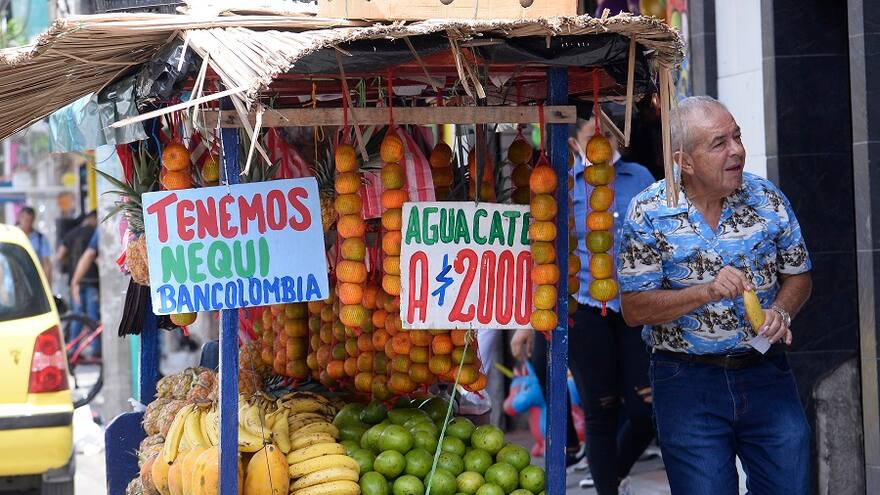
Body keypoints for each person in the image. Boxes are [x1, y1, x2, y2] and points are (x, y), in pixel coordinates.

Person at [617, 96, 812, 494]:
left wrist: (781, 311)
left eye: (737, 136)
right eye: (719, 142)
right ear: (683, 161)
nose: (737, 150)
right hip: (686, 381)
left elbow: (799, 276)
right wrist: (703, 291)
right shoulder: (649, 212)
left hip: (766, 374)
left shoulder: (766, 199)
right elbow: (634, 309)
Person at [511, 117, 657, 494]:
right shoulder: (561, 186)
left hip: (636, 309)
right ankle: (607, 487)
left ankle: (616, 472)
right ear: (576, 141)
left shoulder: (639, 177)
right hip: (586, 310)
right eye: (595, 135)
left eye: (608, 135)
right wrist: (529, 319)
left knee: (647, 410)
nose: (603, 143)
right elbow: (543, 255)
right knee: (601, 409)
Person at [70, 229, 100, 356]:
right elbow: (90, 254)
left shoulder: (72, 234)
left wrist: (74, 282)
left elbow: (60, 254)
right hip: (92, 283)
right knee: (92, 319)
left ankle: (73, 349)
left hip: (81, 280)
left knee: (78, 318)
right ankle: (96, 350)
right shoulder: (100, 231)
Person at [17, 206, 52, 282]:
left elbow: (46, 263)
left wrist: (47, 284)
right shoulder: (12, 236)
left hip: (34, 280)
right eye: (26, 220)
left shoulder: (40, 238)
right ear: (20, 218)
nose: (28, 223)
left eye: (30, 220)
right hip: (15, 279)